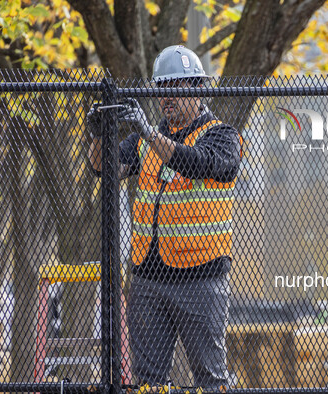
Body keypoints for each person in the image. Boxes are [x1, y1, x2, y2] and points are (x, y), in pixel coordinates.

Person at [87, 45, 242, 391]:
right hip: (148, 277)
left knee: (210, 380)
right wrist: (98, 135)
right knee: (149, 382)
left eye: (176, 87)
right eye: (161, 89)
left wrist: (149, 134)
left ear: (197, 88)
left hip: (200, 278)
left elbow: (196, 162)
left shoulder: (221, 136)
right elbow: (103, 168)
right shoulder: (146, 140)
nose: (166, 96)